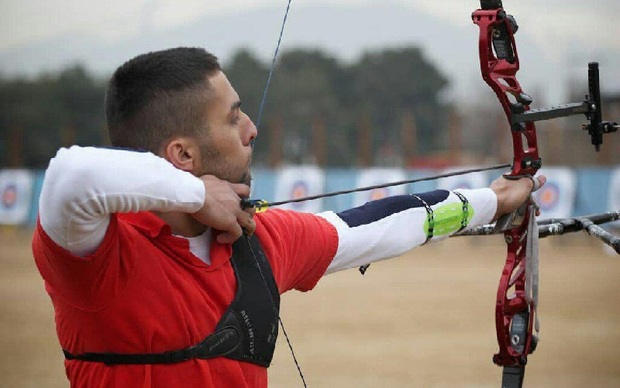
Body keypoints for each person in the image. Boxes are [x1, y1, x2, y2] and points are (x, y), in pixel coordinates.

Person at [32, 47, 544, 387]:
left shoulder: (258, 241)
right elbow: (70, 175)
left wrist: (492, 201)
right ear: (182, 155)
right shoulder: (96, 257)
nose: (252, 129)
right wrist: (194, 195)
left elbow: (378, 225)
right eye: (233, 117)